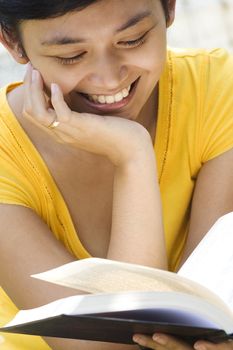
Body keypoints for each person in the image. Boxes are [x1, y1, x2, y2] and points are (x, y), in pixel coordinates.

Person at [0, 0, 233, 349]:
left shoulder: (216, 89)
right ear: (13, 43)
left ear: (169, 9)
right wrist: (133, 156)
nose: (109, 79)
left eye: (133, 39)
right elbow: (115, 344)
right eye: (70, 55)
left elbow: (207, 313)